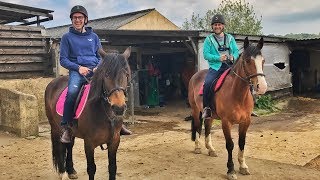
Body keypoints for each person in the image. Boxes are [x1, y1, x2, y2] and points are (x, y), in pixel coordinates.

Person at [60, 5, 132, 143]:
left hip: (95, 70)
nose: (77, 20)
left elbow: (100, 56)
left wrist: (97, 68)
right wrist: (78, 67)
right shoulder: (66, 38)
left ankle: (118, 124)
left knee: (111, 90)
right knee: (72, 93)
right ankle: (67, 127)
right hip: (77, 71)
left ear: (85, 19)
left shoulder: (93, 37)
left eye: (80, 17)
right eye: (74, 18)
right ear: (71, 20)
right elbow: (63, 59)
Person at [202, 14, 239, 119]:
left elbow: (236, 51)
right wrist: (219, 58)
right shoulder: (208, 40)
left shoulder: (230, 38)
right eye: (215, 25)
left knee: (245, 80)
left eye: (219, 24)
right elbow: (206, 55)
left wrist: (233, 56)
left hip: (230, 66)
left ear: (223, 26)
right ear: (212, 27)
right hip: (216, 67)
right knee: (208, 83)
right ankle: (207, 109)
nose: (217, 26)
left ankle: (248, 106)